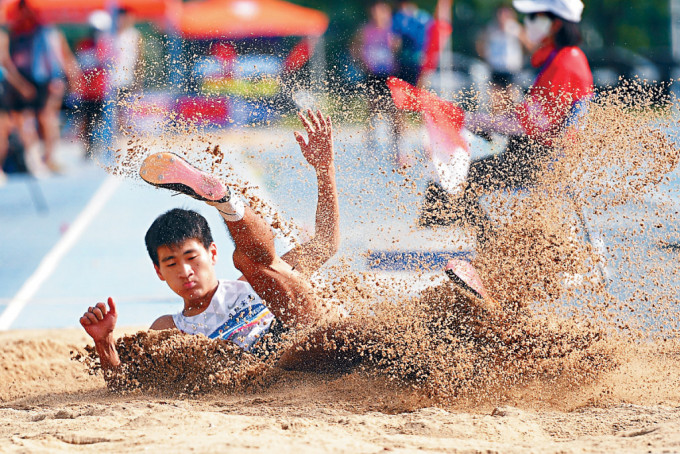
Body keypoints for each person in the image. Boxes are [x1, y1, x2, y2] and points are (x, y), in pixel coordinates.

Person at [79, 110, 340, 374]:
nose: (185, 271)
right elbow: (129, 388)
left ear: (212, 253)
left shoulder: (254, 283)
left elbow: (325, 243)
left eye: (192, 258)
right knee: (250, 266)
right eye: (171, 263)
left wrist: (323, 168)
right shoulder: (168, 328)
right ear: (159, 272)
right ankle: (227, 205)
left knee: (250, 264)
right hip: (269, 371)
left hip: (309, 339)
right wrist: (104, 342)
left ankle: (226, 203)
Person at [417, 0, 593, 247]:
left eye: (532, 17)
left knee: (456, 182)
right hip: (533, 152)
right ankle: (493, 245)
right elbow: (529, 116)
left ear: (554, 24)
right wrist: (474, 121)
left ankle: (492, 249)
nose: (526, 23)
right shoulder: (562, 58)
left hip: (540, 160)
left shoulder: (564, 62)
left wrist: (467, 119)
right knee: (451, 183)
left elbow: (527, 124)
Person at [7, 0, 81, 173]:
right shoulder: (16, 32)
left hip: (47, 79)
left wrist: (67, 77)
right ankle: (34, 157)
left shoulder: (47, 31)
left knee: (47, 118)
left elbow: (62, 55)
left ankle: (49, 157)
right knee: (25, 119)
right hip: (24, 79)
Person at [350, 1, 399, 149]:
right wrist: (361, 63)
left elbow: (398, 50)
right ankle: (370, 144)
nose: (379, 15)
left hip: (390, 74)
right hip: (372, 74)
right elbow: (354, 48)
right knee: (372, 108)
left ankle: (396, 144)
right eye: (376, 12)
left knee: (394, 110)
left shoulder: (392, 31)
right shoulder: (365, 30)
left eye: (382, 12)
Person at [475, 6, 529, 115]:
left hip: (511, 70)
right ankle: (497, 125)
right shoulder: (491, 29)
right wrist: (485, 56)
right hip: (496, 69)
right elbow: (480, 43)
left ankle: (511, 125)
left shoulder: (515, 29)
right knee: (496, 100)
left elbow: (528, 45)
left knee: (512, 99)